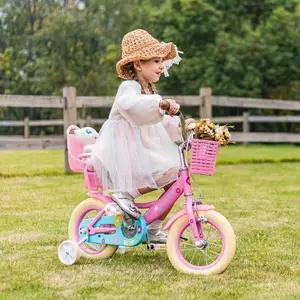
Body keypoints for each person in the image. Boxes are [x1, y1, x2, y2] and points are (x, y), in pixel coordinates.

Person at [90, 29, 192, 243]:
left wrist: (183, 126)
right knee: (167, 173)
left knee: (174, 180)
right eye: (156, 61)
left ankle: (153, 228)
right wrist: (159, 104)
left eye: (161, 61)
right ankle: (126, 193)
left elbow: (158, 123)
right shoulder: (129, 87)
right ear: (138, 64)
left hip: (143, 147)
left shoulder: (149, 92)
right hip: (125, 149)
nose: (161, 66)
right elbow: (130, 106)